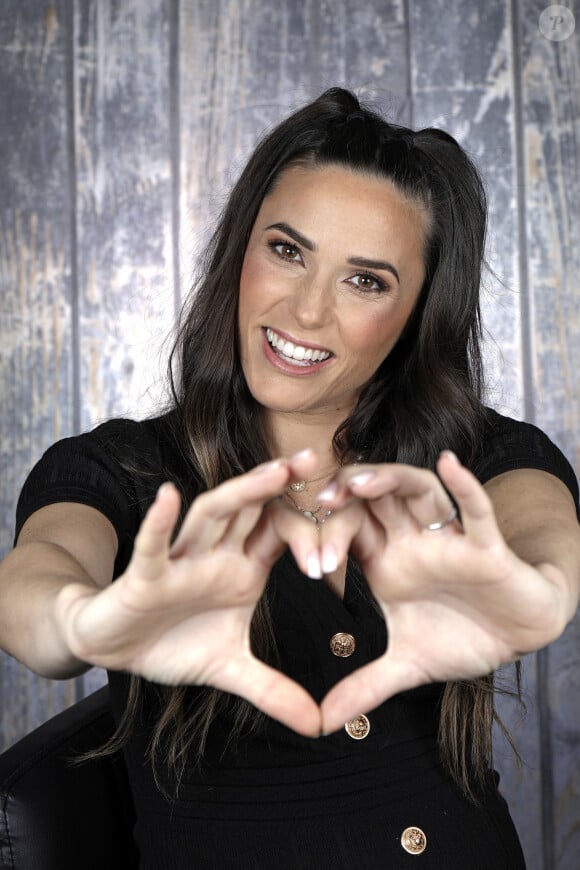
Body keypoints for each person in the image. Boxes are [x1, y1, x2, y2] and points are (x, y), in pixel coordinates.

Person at [1, 87, 579, 868]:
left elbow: (542, 529)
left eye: (365, 281)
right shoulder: (119, 468)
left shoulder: (476, 458)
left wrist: (531, 585)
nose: (306, 312)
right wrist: (82, 621)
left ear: (416, 315)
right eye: (287, 250)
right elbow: (38, 577)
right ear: (243, 248)